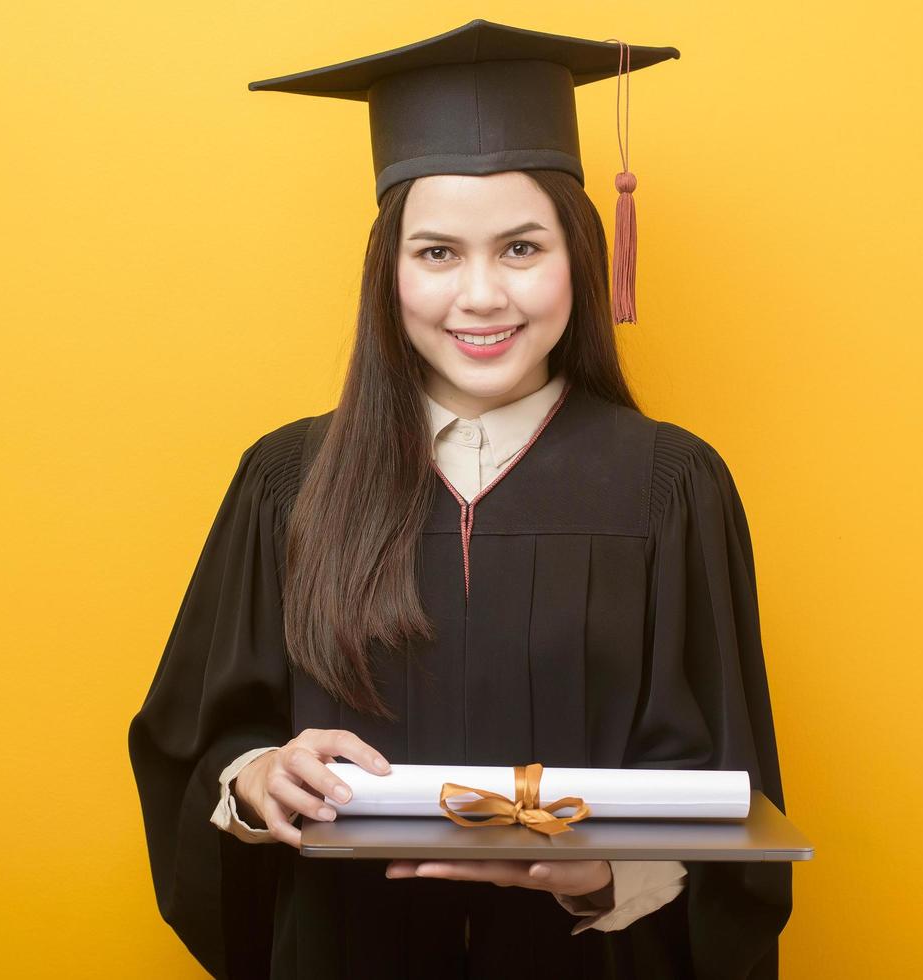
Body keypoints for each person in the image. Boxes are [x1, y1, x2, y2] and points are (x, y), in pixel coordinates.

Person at [128, 19, 792, 979]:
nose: (480, 296)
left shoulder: (669, 486)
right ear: (387, 274)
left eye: (521, 247)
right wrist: (258, 775)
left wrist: (600, 876)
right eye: (436, 253)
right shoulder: (288, 481)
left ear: (581, 258)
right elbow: (195, 740)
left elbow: (727, 782)